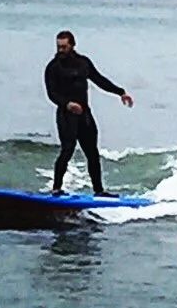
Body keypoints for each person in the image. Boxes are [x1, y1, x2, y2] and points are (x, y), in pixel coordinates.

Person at [45, 28, 133, 196]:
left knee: (92, 153)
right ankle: (56, 188)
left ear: (72, 45)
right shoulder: (53, 67)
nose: (61, 51)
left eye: (64, 47)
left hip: (84, 116)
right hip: (66, 116)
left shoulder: (83, 63)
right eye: (58, 47)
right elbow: (51, 93)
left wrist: (121, 92)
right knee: (67, 150)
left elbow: (99, 80)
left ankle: (99, 191)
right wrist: (67, 104)